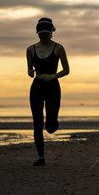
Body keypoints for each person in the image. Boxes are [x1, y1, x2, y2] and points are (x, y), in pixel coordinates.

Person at [26, 18, 69, 166]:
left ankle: (52, 121)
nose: (43, 37)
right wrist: (30, 71)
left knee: (50, 127)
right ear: (37, 33)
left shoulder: (59, 48)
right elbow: (29, 70)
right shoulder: (31, 49)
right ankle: (41, 157)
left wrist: (53, 76)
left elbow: (66, 70)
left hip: (53, 87)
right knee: (37, 123)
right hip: (37, 87)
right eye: (40, 34)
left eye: (46, 34)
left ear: (52, 33)